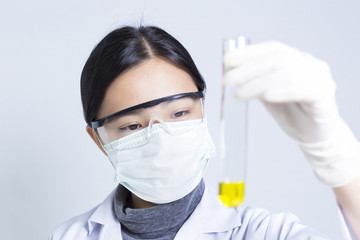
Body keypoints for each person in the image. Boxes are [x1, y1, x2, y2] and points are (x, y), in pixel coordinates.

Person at [49, 25, 360, 239]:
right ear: (99, 140)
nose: (162, 139)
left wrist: (339, 158)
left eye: (180, 113)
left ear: (204, 111)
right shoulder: (70, 236)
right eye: (132, 126)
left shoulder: (262, 233)